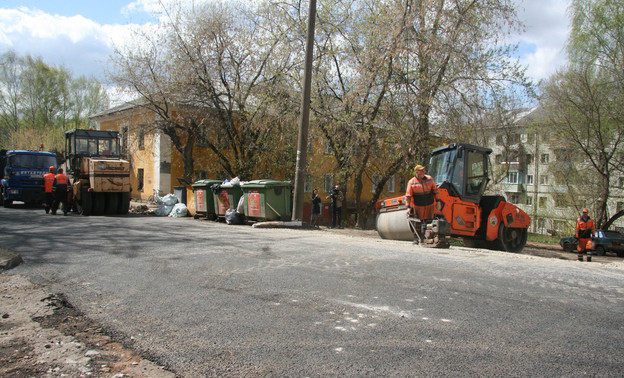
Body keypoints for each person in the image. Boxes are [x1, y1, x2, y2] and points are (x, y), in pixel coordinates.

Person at [406, 164, 443, 244]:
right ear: (417, 172)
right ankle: (416, 238)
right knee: (417, 222)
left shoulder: (429, 179)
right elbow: (408, 196)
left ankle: (429, 238)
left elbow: (435, 191)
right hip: (418, 205)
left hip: (429, 204)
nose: (424, 172)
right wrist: (408, 207)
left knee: (429, 222)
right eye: (422, 171)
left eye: (424, 171)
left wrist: (438, 202)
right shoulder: (411, 182)